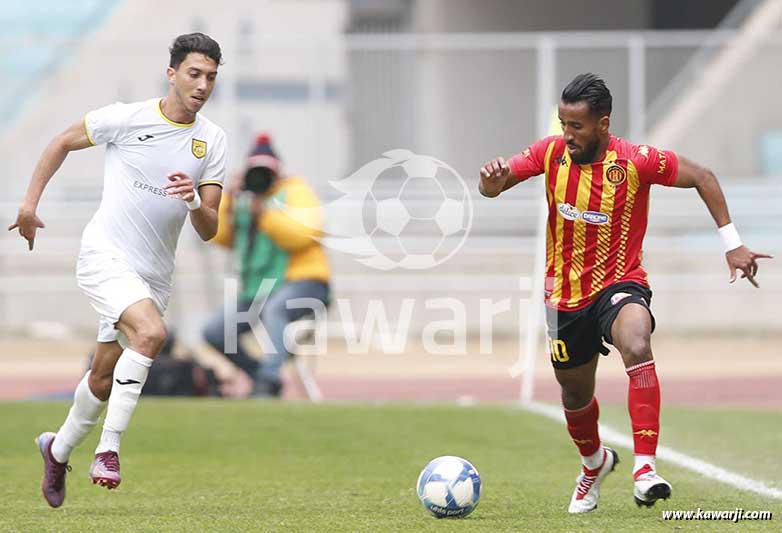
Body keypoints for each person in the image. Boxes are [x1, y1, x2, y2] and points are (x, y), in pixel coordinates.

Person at [479, 73, 772, 513]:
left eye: (576, 126)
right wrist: (491, 179)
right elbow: (492, 189)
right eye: (563, 124)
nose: (568, 135)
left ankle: (645, 470)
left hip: (620, 282)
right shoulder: (550, 154)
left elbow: (703, 176)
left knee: (636, 339)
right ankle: (594, 463)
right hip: (564, 297)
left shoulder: (635, 161)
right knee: (575, 394)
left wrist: (732, 244)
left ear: (603, 123)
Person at [9, 33, 227, 507]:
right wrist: (29, 206)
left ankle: (57, 447)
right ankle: (107, 450)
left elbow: (210, 229)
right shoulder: (127, 117)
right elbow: (61, 141)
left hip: (154, 274)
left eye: (211, 76)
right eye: (194, 73)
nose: (202, 84)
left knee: (104, 376)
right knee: (150, 334)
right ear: (172, 73)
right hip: (105, 256)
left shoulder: (212, 140)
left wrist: (193, 200)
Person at [203, 133, 330, 397]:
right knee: (215, 331)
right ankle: (260, 373)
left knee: (275, 310)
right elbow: (219, 236)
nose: (260, 178)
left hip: (305, 282)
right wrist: (228, 201)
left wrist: (266, 215)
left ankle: (269, 382)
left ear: (278, 171)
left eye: (266, 172)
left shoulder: (296, 191)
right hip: (259, 287)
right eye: (255, 172)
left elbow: (305, 233)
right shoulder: (244, 199)